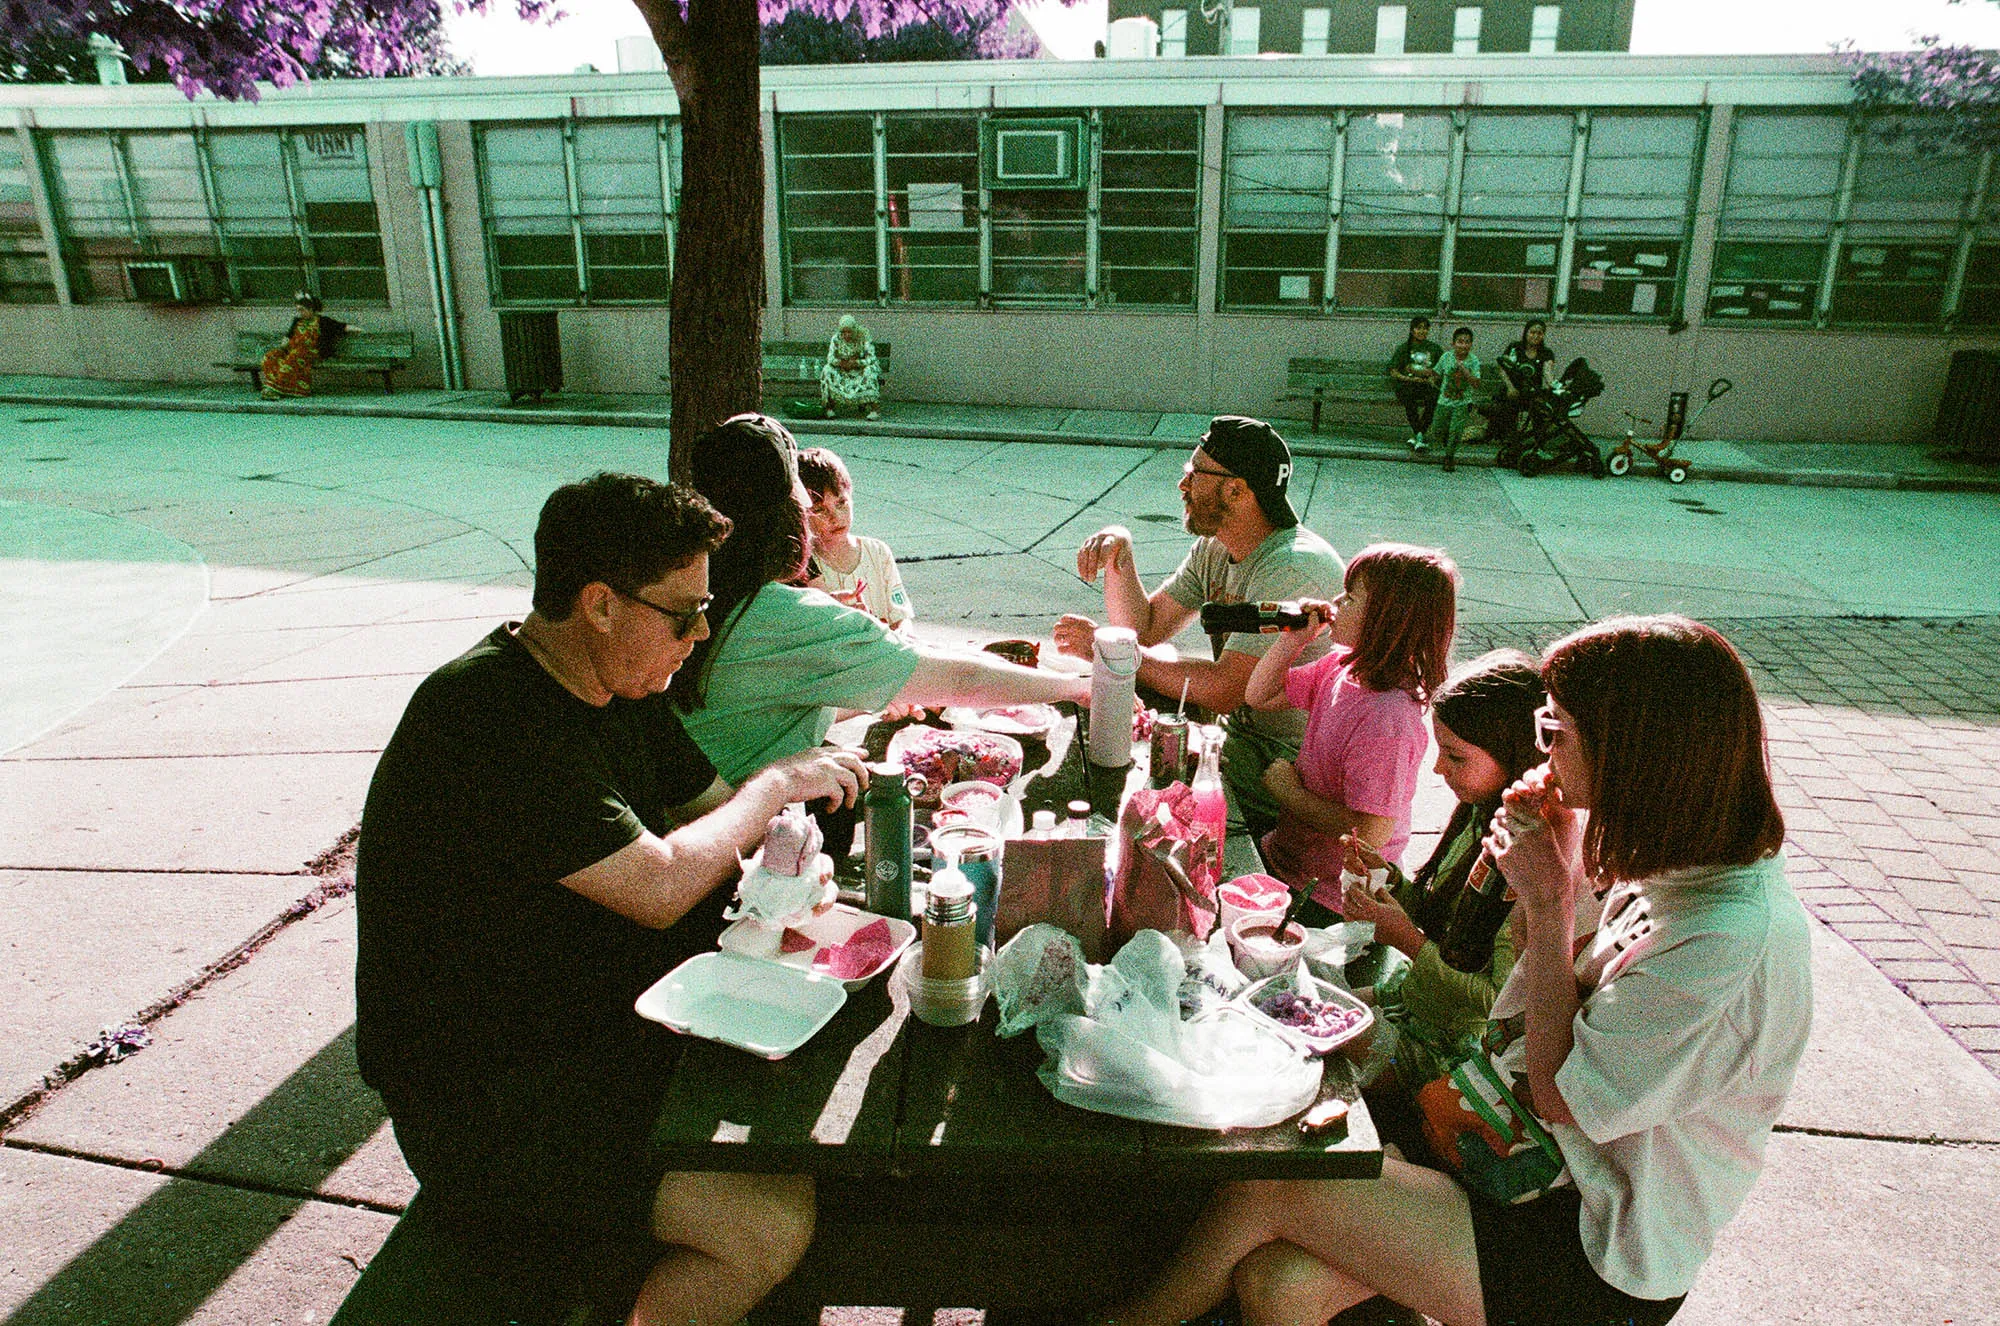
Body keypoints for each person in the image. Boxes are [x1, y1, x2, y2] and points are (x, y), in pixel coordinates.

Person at [1101, 613, 1810, 1326]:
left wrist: (1549, 900)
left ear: (1633, 753)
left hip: (1595, 1240)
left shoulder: (1727, 941)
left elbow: (1560, 1092)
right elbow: (1526, 1010)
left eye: (1557, 730)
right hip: (1514, 1154)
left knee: (1271, 1177)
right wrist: (1546, 883)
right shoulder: (1672, 861)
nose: (1545, 750)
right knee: (1279, 1284)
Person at [356, 472, 871, 1324]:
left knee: (815, 1124)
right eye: (685, 614)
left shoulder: (619, 683)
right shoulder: (486, 717)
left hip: (597, 1033)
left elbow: (716, 821)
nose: (700, 636)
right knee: (768, 1222)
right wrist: (778, 785)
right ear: (599, 605)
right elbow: (663, 884)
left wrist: (786, 859)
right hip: (488, 1103)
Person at [674, 413, 1088, 788]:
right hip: (738, 824)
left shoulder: (699, 596)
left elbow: (772, 705)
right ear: (788, 521)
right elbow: (964, 680)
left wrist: (881, 689)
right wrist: (1078, 688)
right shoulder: (790, 617)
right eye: (807, 509)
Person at [1053, 416, 1343, 839]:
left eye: (1194, 474)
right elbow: (1145, 627)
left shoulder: (1293, 568)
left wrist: (1115, 655)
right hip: (1238, 742)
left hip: (1284, 771)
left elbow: (1224, 689)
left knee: (1109, 799)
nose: (1182, 485)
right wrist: (1119, 550)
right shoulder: (1216, 546)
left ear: (1236, 490)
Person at [1336, 649, 1546, 1092]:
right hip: (1411, 1000)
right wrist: (1390, 880)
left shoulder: (1526, 864)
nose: (1437, 767)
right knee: (1296, 1004)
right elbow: (1445, 919)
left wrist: (1405, 940)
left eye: (1455, 756)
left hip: (1446, 1054)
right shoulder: (1481, 814)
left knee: (1309, 1036)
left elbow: (1498, 1002)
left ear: (1513, 755)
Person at [1242, 543, 1459, 912]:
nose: (1336, 602)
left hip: (1332, 894)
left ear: (1385, 620)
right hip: (1291, 858)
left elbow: (1372, 831)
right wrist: (1292, 640)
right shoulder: (1341, 667)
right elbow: (1260, 695)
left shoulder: (1387, 719)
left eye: (1350, 597)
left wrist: (1289, 792)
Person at [798, 446, 912, 631]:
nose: (835, 517)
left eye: (841, 503)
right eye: (820, 510)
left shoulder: (878, 552)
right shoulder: (804, 565)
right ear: (802, 514)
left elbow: (901, 617)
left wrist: (902, 634)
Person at [1486, 318, 1558, 446]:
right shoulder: (1515, 348)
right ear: (1526, 332)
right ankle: (1509, 438)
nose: (1535, 336)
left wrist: (1554, 386)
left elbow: (1548, 372)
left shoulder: (1546, 353)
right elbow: (1502, 368)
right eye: (1532, 332)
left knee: (1540, 408)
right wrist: (1510, 387)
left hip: (1531, 392)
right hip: (1512, 390)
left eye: (1539, 333)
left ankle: (1538, 443)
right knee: (1508, 402)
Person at [259, 291, 344, 399]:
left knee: (294, 356)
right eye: (298, 310)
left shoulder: (323, 321)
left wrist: (358, 330)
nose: (300, 313)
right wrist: (285, 344)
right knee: (270, 357)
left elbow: (342, 327)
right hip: (293, 350)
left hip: (311, 352)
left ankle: (273, 389)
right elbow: (288, 337)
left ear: (311, 309)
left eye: (302, 310)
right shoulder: (297, 321)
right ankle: (281, 388)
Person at [1423, 326, 1482, 474]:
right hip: (1444, 400)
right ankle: (1446, 441)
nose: (1463, 345)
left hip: (1462, 402)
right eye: (1460, 342)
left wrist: (1464, 371)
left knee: (1456, 431)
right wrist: (1430, 377)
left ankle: (1449, 457)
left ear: (1471, 344)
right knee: (1437, 428)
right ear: (1453, 343)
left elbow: (1476, 383)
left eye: (1467, 342)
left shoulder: (1473, 360)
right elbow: (1436, 372)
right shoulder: (1446, 357)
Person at [1387, 315, 1442, 451]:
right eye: (1418, 328)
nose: (1422, 331)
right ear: (1412, 330)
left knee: (1434, 398)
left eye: (1425, 328)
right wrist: (1411, 379)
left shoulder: (1434, 348)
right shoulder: (1404, 348)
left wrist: (1432, 377)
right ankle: (1419, 434)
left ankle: (1418, 434)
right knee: (1408, 396)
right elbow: (1393, 371)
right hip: (1408, 384)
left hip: (1427, 385)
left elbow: (1442, 369)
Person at [818, 314, 882, 420]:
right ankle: (829, 408)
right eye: (844, 332)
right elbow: (830, 358)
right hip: (842, 369)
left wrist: (857, 363)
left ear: (854, 330)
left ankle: (874, 410)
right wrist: (841, 363)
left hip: (859, 370)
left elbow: (872, 358)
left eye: (849, 332)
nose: (846, 335)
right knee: (827, 370)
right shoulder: (836, 339)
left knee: (870, 371)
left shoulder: (863, 337)